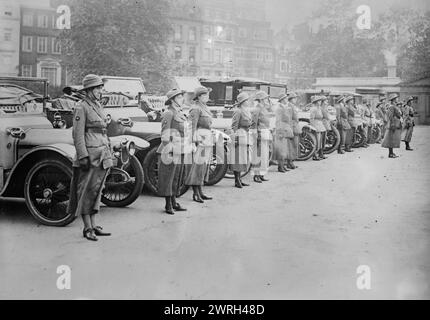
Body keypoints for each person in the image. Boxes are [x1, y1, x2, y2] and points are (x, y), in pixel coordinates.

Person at [67, 74, 113, 241]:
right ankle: (87, 228)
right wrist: (83, 156)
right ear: (89, 90)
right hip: (90, 154)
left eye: (101, 88)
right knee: (87, 191)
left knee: (96, 191)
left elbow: (103, 130)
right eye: (98, 88)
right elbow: (77, 134)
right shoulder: (81, 107)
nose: (101, 91)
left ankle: (94, 225)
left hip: (102, 153)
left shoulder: (98, 106)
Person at [157, 88, 192, 214]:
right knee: (169, 177)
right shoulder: (169, 113)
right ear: (172, 100)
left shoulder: (180, 112)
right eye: (179, 97)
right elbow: (165, 133)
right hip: (170, 150)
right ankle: (168, 205)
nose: (182, 99)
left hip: (180, 149)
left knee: (177, 177)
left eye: (182, 97)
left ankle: (174, 201)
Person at [185, 86, 214, 202]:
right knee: (197, 167)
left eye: (207, 95)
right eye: (205, 95)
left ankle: (200, 191)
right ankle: (195, 193)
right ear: (199, 97)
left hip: (206, 139)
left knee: (203, 167)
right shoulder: (195, 108)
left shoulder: (204, 107)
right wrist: (193, 141)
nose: (207, 97)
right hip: (199, 140)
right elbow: (192, 126)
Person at [229, 92, 253, 188]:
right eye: (246, 100)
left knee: (243, 158)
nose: (248, 101)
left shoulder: (246, 110)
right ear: (242, 102)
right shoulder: (238, 111)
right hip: (239, 135)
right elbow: (234, 126)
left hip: (245, 135)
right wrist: (235, 138)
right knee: (238, 159)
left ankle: (239, 179)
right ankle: (236, 180)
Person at [250, 91, 272, 183]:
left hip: (265, 132)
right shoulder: (257, 109)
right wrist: (256, 135)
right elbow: (254, 123)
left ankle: (262, 174)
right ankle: (256, 175)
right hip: (260, 133)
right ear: (262, 99)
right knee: (258, 155)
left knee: (264, 155)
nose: (267, 100)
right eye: (265, 98)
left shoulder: (263, 108)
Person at [273, 93, 295, 171]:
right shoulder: (279, 109)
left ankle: (282, 166)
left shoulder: (284, 108)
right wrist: (280, 131)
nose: (287, 100)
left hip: (285, 129)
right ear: (282, 100)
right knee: (281, 149)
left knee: (284, 149)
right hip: (281, 130)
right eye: (285, 98)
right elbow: (278, 121)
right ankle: (280, 166)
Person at [381, 93, 403, 158]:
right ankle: (390, 154)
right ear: (394, 99)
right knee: (391, 139)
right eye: (396, 98)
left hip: (396, 124)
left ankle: (392, 153)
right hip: (392, 125)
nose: (397, 99)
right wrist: (392, 124)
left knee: (393, 139)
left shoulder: (395, 106)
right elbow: (390, 116)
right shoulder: (391, 106)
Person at [309, 95, 326, 161]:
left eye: (320, 101)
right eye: (318, 101)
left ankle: (318, 154)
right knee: (316, 141)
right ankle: (315, 155)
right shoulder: (314, 109)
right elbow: (311, 119)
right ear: (316, 102)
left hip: (320, 125)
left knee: (320, 142)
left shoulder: (319, 108)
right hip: (316, 125)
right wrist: (313, 127)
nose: (320, 102)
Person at [288, 92, 301, 168]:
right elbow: (289, 118)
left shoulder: (293, 106)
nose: (296, 99)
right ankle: (290, 162)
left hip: (295, 127)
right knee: (292, 145)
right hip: (292, 127)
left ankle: (291, 162)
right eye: (294, 98)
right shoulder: (290, 106)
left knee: (294, 145)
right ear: (291, 99)